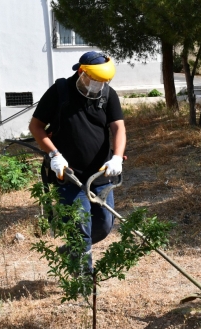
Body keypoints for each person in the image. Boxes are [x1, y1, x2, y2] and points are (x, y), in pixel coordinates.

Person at [29, 51, 126, 273]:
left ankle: (72, 250)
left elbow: (118, 127)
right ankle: (82, 281)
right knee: (81, 228)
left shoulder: (107, 95)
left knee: (103, 225)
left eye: (104, 82)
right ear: (82, 73)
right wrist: (54, 155)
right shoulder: (59, 92)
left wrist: (117, 157)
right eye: (96, 80)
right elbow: (36, 127)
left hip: (100, 176)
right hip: (68, 176)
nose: (99, 86)